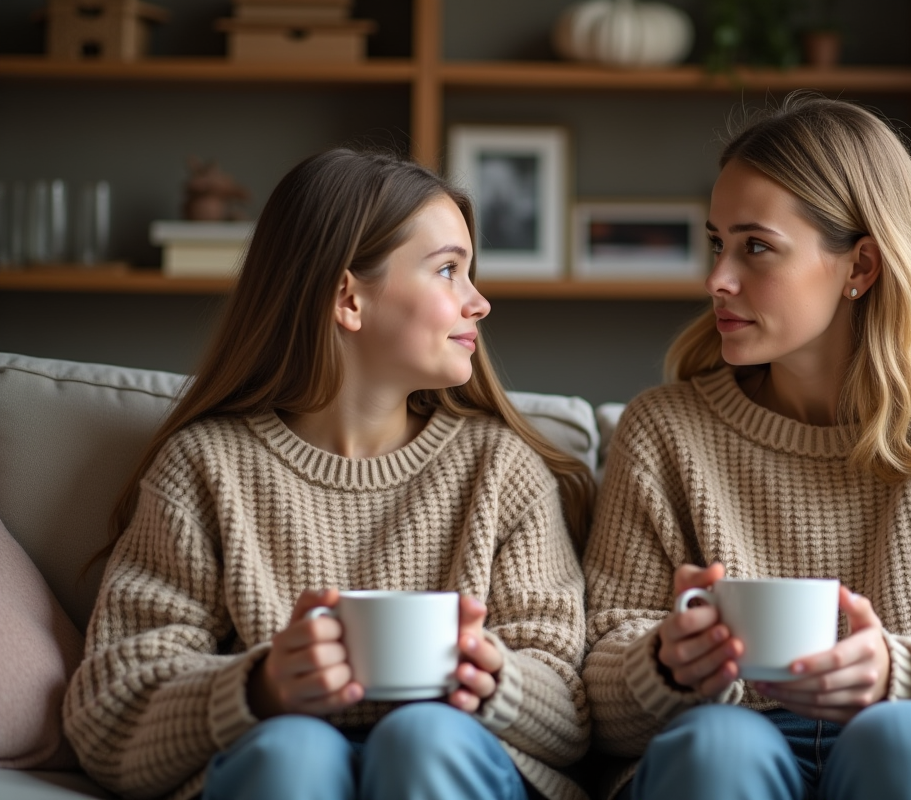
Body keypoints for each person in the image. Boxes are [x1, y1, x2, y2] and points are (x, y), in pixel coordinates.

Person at [582, 92, 911, 800]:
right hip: (720, 746)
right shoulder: (664, 432)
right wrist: (664, 664)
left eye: (755, 247)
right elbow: (594, 695)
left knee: (901, 740)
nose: (717, 280)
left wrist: (899, 676)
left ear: (860, 267)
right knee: (718, 749)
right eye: (717, 243)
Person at [63, 148, 594, 800]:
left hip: (453, 758)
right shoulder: (205, 468)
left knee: (422, 737)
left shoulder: (501, 471)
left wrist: (495, 679)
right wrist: (258, 687)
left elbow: (572, 708)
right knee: (292, 750)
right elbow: (107, 711)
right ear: (348, 298)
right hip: (274, 765)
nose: (478, 302)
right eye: (449, 271)